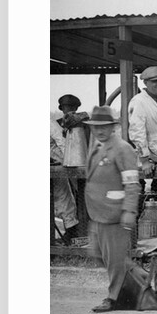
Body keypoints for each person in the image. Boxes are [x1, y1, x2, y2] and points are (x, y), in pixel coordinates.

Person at [84, 106, 157, 313]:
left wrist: (129, 211)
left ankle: (113, 299)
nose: (100, 131)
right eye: (96, 127)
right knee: (100, 255)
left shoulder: (122, 148)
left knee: (115, 260)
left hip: (115, 214)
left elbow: (132, 183)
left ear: (112, 126)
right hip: (97, 213)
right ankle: (145, 292)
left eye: (104, 126)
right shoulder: (95, 146)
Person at [50, 94, 89, 243]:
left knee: (65, 198)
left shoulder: (82, 121)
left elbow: (64, 145)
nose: (69, 111)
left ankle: (73, 230)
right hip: (61, 165)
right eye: (66, 108)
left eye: (72, 108)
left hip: (66, 165)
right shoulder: (59, 123)